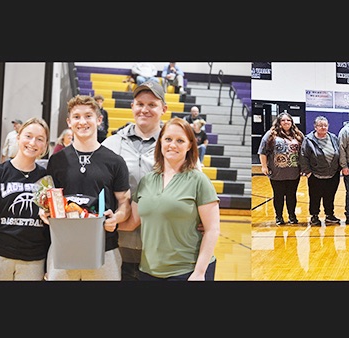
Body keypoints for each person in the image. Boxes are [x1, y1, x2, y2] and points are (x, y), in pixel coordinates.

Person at [118, 117, 220, 281]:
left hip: (188, 271)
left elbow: (212, 229)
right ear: (160, 143)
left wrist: (200, 272)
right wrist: (99, 224)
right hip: (148, 271)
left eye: (180, 140)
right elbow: (131, 223)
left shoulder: (199, 181)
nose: (172, 145)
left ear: (189, 146)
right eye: (168, 139)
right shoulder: (147, 180)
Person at [42, 95, 131, 281]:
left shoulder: (115, 161)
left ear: (99, 120)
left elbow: (124, 202)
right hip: (63, 248)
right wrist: (44, 212)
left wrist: (117, 217)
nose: (82, 122)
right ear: (69, 122)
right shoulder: (57, 160)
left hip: (104, 250)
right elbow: (48, 200)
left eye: (88, 116)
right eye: (76, 117)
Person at [101, 79, 167, 281]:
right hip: (118, 245)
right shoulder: (111, 144)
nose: (144, 110)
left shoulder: (175, 143)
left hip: (162, 247)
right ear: (132, 107)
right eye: (140, 104)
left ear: (163, 108)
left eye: (152, 105)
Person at [0, 117, 51, 281]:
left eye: (40, 139)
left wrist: (48, 265)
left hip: (35, 261)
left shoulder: (46, 179)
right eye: (28, 136)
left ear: (45, 146)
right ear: (18, 137)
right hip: (1, 258)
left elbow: (49, 228)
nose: (33, 143)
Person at [258, 111, 304, 225]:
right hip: (277, 172)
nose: (286, 122)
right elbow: (262, 152)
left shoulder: (298, 135)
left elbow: (304, 153)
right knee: (278, 195)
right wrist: (264, 166)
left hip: (293, 172)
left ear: (292, 122)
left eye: (288, 120)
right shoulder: (270, 135)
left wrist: (303, 168)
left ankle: (292, 216)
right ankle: (279, 217)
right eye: (283, 120)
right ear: (279, 122)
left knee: (291, 195)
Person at [299, 116, 342, 226]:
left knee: (330, 196)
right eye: (320, 125)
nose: (323, 127)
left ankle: (329, 215)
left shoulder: (333, 138)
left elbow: (340, 153)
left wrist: (339, 169)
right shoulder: (308, 140)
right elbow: (303, 157)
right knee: (315, 197)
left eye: (325, 125)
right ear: (315, 127)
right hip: (315, 175)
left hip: (332, 174)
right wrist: (308, 173)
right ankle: (314, 216)